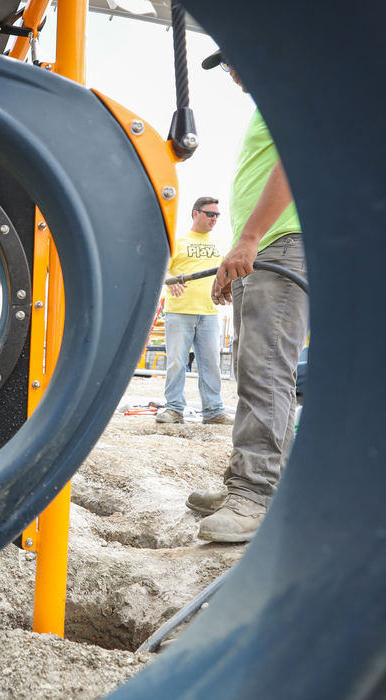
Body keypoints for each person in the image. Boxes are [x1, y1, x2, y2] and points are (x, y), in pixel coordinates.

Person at [186, 50, 308, 543]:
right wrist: (238, 256)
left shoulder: (295, 94)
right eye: (228, 64)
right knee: (253, 367)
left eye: (240, 57)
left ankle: (255, 493)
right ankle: (255, 479)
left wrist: (251, 236)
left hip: (282, 242)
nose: (235, 71)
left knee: (266, 370)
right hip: (266, 246)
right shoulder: (271, 106)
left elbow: (298, 160)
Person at [156, 196, 231, 425]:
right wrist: (170, 280)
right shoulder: (177, 241)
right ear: (195, 213)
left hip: (209, 312)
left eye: (217, 215)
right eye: (210, 214)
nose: (214, 219)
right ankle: (174, 409)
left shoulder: (219, 243)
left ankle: (213, 410)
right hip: (179, 311)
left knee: (211, 364)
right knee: (177, 361)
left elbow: (226, 274)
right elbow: (160, 269)